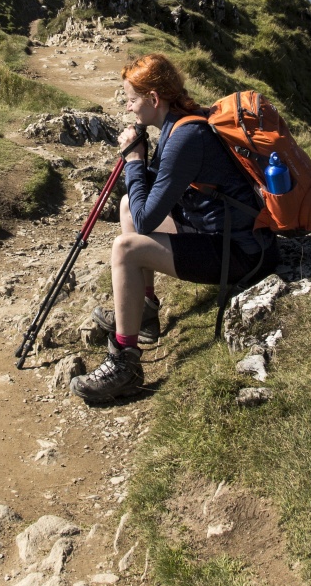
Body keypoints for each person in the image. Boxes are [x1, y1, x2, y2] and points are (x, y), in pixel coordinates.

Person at [73, 52, 277, 407]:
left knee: (125, 248)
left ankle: (125, 362)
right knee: (126, 208)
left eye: (132, 100)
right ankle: (145, 311)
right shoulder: (183, 122)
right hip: (223, 236)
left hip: (241, 254)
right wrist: (142, 162)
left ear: (154, 99)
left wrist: (134, 161)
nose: (128, 109)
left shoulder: (185, 138)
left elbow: (149, 216)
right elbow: (150, 199)